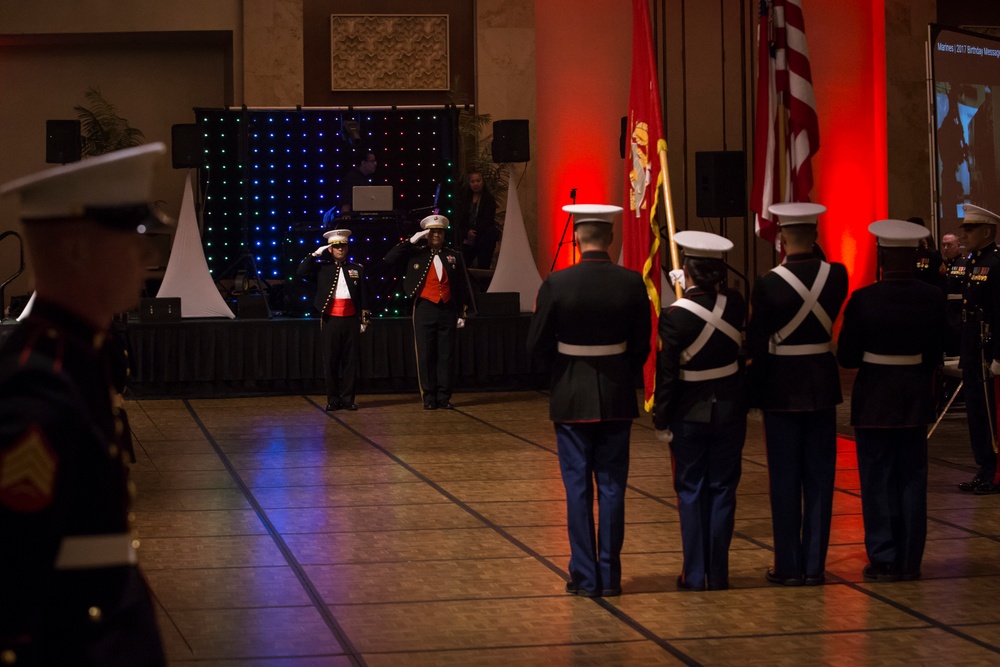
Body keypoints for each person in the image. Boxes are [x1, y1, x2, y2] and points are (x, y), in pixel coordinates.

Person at [0, 144, 170, 665]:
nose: (147, 259)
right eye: (134, 241)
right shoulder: (39, 384)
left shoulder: (74, 355)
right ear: (75, 252)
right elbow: (13, 580)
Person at [527, 204, 651, 598]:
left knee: (577, 489)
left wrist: (560, 374)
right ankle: (610, 576)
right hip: (615, 395)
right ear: (610, 238)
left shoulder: (557, 283)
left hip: (571, 396)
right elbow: (642, 347)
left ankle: (584, 576)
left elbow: (536, 345)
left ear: (577, 238)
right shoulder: (632, 283)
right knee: (613, 488)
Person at [837, 220, 948, 582]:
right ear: (916, 256)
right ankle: (910, 559)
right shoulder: (932, 297)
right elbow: (936, 352)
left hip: (874, 397)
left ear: (881, 256)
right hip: (914, 395)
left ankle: (884, 557)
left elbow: (848, 356)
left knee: (877, 478)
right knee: (913, 478)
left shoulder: (864, 299)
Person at [746, 202, 849, 586]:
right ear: (816, 236)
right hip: (821, 385)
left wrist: (753, 397)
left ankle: (788, 564)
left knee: (785, 480)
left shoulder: (768, 283)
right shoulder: (837, 275)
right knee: (820, 480)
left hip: (781, 388)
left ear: (782, 239)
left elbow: (757, 345)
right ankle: (814, 565)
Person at [654, 230, 746, 592]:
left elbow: (668, 373)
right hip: (729, 411)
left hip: (689, 414)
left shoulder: (675, 315)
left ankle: (694, 574)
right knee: (723, 490)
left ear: (686, 271)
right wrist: (693, 290)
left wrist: (661, 418)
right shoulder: (736, 304)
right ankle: (718, 573)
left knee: (690, 492)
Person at [383, 214, 471, 409]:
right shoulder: (417, 252)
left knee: (446, 355)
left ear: (444, 233)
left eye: (439, 231)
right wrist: (412, 239)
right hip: (425, 308)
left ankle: (444, 397)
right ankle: (429, 397)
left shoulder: (453, 255)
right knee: (425, 354)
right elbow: (389, 259)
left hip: (447, 309)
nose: (436, 235)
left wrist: (462, 312)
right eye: (432, 231)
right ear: (427, 234)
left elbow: (462, 286)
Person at [296, 228, 370, 411]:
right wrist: (314, 254)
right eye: (336, 247)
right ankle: (333, 399)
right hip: (330, 319)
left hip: (351, 319)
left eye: (343, 246)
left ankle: (348, 399)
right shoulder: (322, 268)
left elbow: (364, 295)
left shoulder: (356, 269)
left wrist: (364, 319)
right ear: (330, 249)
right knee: (330, 361)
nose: (340, 250)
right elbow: (301, 272)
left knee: (350, 361)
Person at [955, 204, 1000, 494]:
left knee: (990, 414)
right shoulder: (973, 261)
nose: (965, 234)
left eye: (970, 229)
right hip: (973, 346)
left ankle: (994, 471)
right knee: (975, 411)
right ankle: (984, 467)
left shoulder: (996, 262)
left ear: (986, 231)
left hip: (988, 348)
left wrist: (998, 354)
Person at [455, 169, 499, 269]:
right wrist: (467, 232)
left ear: (482, 182)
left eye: (478, 181)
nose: (475, 184)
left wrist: (475, 232)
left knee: (484, 267)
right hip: (468, 239)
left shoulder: (489, 199)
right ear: (469, 184)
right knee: (462, 266)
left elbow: (488, 220)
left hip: (484, 239)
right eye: (473, 181)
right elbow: (460, 219)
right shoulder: (464, 198)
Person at [942, 230, 965, 358]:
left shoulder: (965, 264)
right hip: (945, 308)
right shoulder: (942, 265)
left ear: (958, 245)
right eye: (943, 245)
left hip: (958, 308)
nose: (946, 248)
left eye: (949, 245)